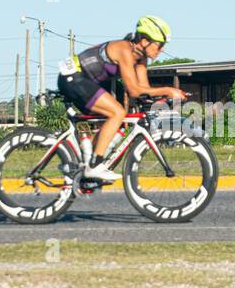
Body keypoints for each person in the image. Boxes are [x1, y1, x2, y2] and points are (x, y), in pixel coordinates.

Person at [56, 16, 188, 183]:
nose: (161, 50)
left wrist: (163, 98)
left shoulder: (141, 58)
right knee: (117, 112)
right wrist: (168, 90)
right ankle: (94, 166)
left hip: (89, 81)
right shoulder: (124, 49)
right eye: (159, 45)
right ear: (145, 41)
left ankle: (84, 164)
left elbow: (143, 91)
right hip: (74, 77)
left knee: (114, 118)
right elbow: (133, 91)